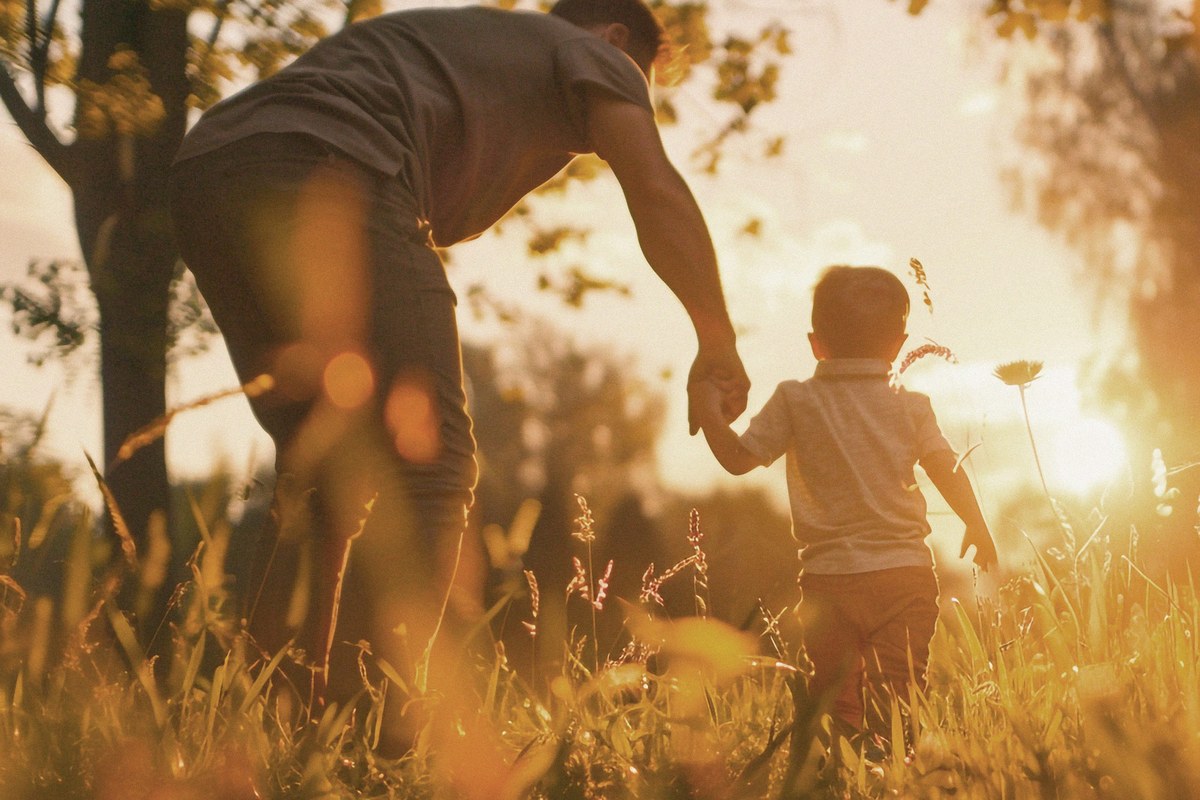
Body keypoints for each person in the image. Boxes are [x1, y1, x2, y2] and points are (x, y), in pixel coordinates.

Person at [167, 0, 749, 748]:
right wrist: (717, 336)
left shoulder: (479, 46)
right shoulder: (593, 54)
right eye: (643, 84)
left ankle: (270, 737)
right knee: (431, 464)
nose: (631, 111)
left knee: (319, 474)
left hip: (212, 168)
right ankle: (371, 737)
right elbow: (655, 189)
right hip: (334, 164)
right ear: (613, 40)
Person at [690, 265, 997, 742]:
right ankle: (897, 776)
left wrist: (708, 406)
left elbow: (735, 460)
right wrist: (976, 523)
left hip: (829, 582)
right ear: (899, 344)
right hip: (904, 576)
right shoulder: (912, 406)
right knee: (900, 694)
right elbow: (945, 468)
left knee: (836, 698)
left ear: (817, 344)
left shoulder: (795, 400)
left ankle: (845, 776)